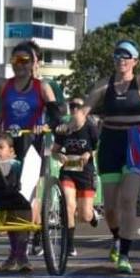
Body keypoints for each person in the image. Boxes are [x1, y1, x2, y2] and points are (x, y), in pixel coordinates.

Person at [80, 11, 140, 274]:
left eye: (126, 55)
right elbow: (84, 108)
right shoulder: (103, 85)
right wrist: (73, 121)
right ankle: (117, 237)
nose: (121, 59)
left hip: (134, 144)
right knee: (110, 208)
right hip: (110, 143)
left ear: (135, 61)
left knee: (128, 200)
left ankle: (125, 256)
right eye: (117, 55)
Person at [0, 25, 62, 256]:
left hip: (32, 145)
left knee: (24, 197)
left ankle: (20, 253)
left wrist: (46, 126)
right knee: (6, 197)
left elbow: (56, 116)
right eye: (16, 60)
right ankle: (14, 250)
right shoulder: (4, 85)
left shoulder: (42, 87)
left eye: (25, 60)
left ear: (34, 63)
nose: (20, 65)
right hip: (8, 146)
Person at [53, 97, 100, 257]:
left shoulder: (90, 127)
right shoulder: (64, 128)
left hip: (85, 172)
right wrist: (59, 155)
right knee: (68, 206)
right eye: (72, 106)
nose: (74, 109)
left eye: (78, 106)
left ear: (85, 110)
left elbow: (98, 147)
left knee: (84, 216)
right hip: (68, 171)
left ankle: (92, 214)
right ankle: (69, 245)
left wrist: (89, 154)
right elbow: (54, 150)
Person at [0, 132, 35, 272]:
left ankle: (20, 256)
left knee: (19, 217)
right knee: (12, 221)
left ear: (11, 152)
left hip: (16, 199)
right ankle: (15, 256)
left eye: (1, 147)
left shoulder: (16, 164)